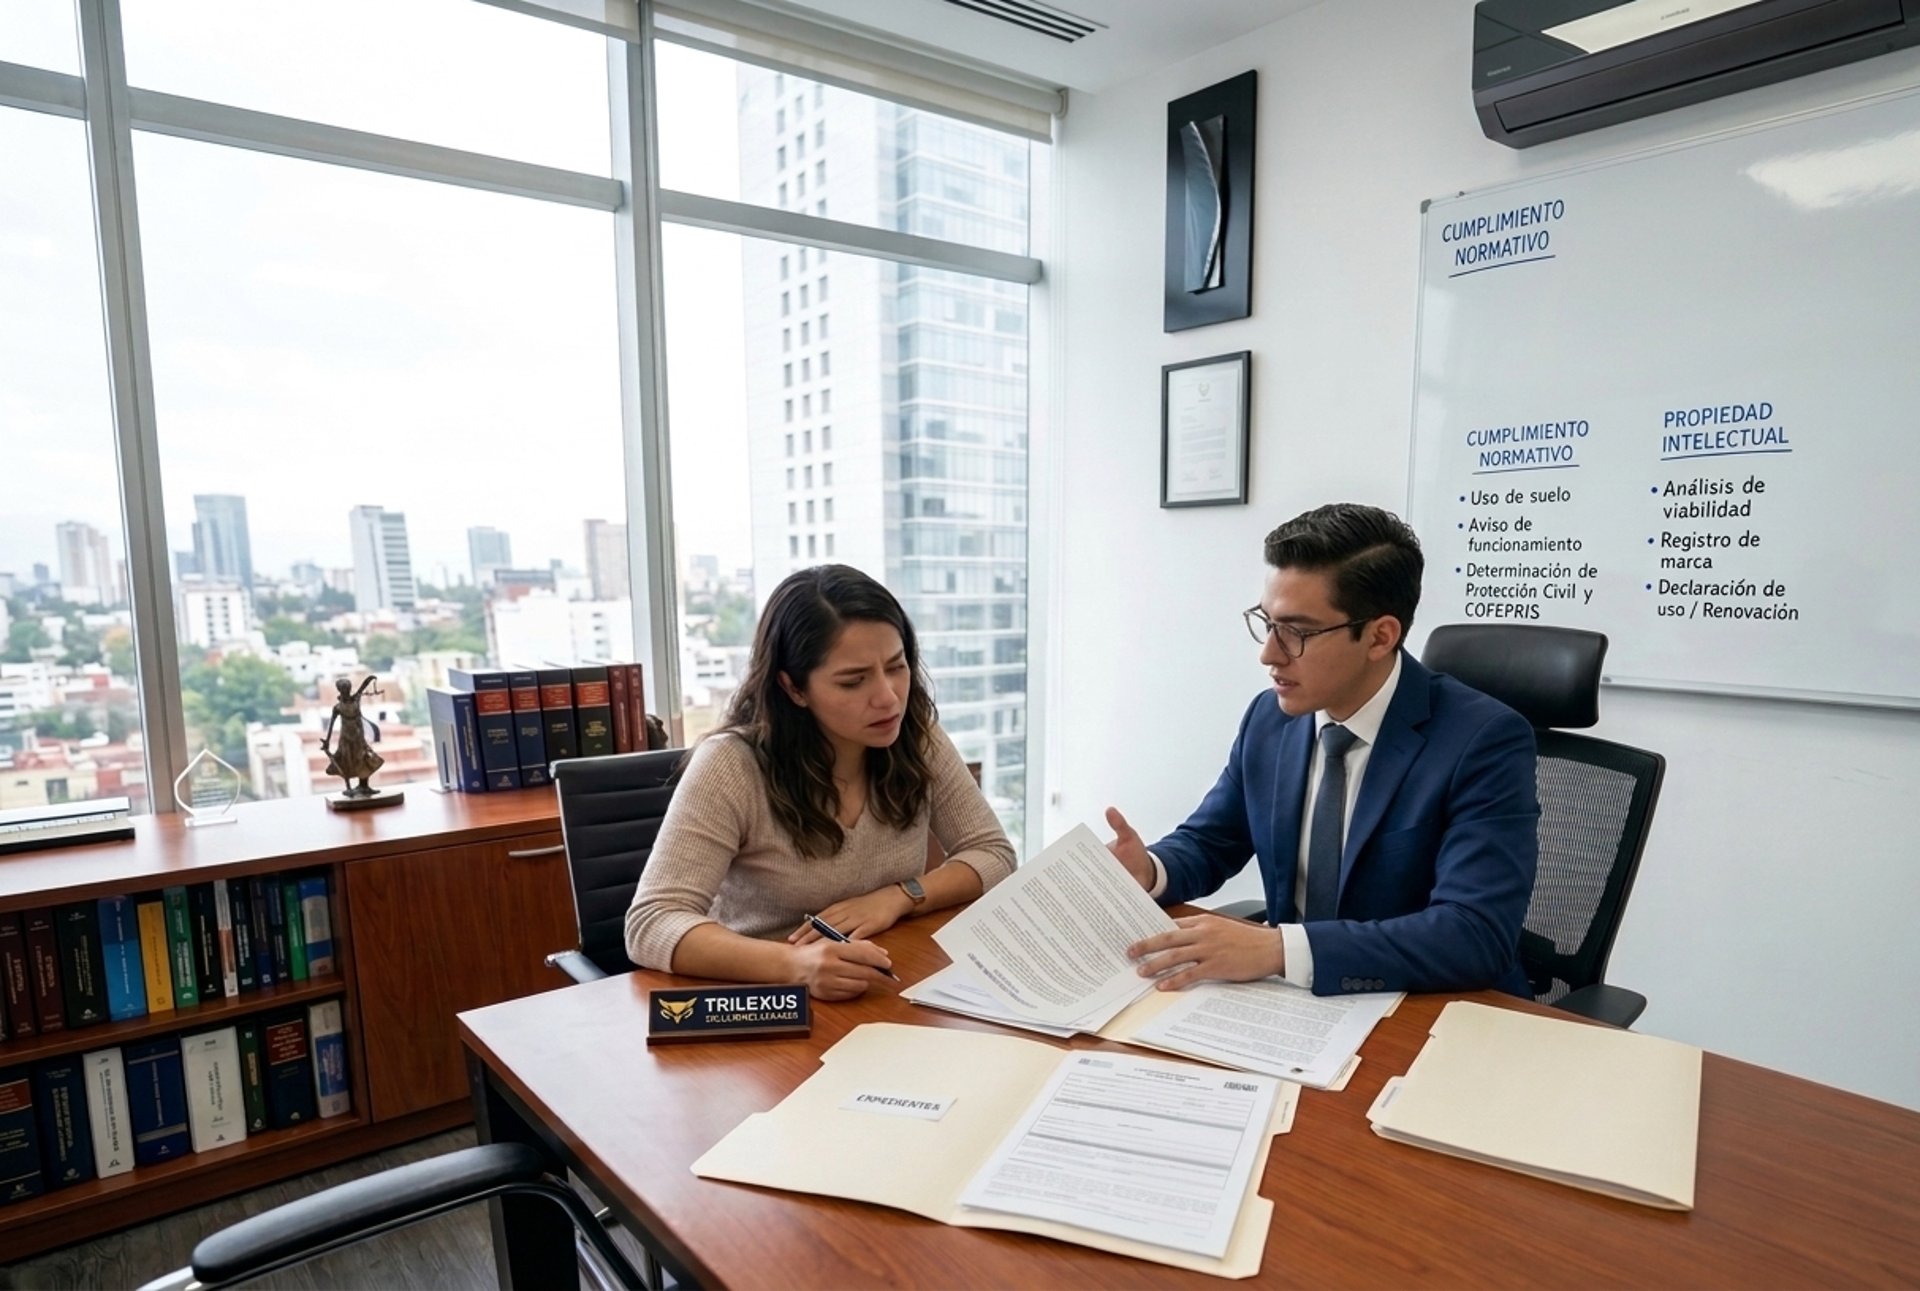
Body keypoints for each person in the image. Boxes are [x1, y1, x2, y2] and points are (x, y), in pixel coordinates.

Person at [1109, 503, 1539, 997]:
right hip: (1292, 1005)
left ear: (1380, 636)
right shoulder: (1270, 717)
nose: (1269, 653)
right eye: (1266, 622)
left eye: (1297, 632)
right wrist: (1151, 869)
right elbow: (1213, 841)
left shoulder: (1483, 740)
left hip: (1428, 1010)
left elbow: (1473, 934)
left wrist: (1277, 949)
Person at [625, 565, 1016, 1000]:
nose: (888, 697)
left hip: (880, 981)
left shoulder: (915, 735)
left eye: (896, 666)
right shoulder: (732, 765)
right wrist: (795, 965)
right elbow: (652, 921)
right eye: (853, 681)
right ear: (793, 688)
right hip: (768, 999)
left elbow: (993, 854)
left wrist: (902, 896)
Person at [321, 676, 384, 797]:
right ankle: (349, 787)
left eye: (348, 688)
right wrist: (327, 741)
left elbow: (363, 686)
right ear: (340, 690)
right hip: (346, 739)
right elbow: (331, 724)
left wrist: (370, 679)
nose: (346, 691)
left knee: (364, 759)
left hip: (358, 737)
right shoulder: (338, 707)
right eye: (344, 689)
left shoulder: (356, 699)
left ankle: (364, 786)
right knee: (347, 761)